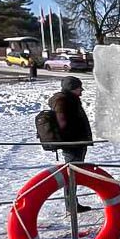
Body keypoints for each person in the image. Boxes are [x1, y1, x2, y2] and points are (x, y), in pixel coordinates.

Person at [47, 75, 95, 213]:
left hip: (77, 143)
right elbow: (63, 124)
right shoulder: (63, 101)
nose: (82, 91)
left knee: (73, 175)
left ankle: (72, 203)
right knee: (71, 176)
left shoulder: (70, 100)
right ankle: (71, 205)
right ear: (72, 88)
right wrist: (76, 137)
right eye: (79, 88)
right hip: (72, 145)